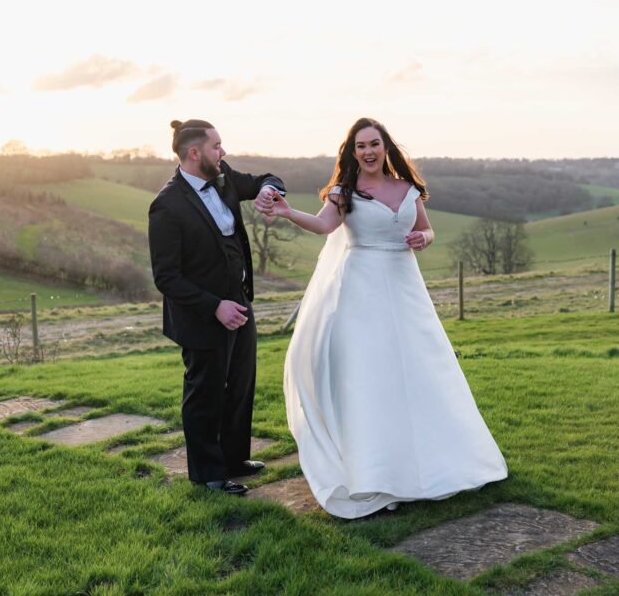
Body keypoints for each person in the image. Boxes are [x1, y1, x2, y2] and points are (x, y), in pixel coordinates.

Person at [261, 117, 507, 518]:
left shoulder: (408, 189)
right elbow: (325, 226)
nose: (368, 152)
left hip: (405, 287)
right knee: (371, 377)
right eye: (360, 146)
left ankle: (440, 461)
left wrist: (420, 239)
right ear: (352, 152)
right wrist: (289, 213)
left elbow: (427, 230)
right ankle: (376, 470)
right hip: (361, 291)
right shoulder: (345, 192)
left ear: (386, 147)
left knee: (421, 369)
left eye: (374, 144)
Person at [148, 119, 286, 495]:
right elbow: (167, 277)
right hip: (203, 316)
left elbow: (266, 178)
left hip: (240, 303)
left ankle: (234, 458)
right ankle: (208, 474)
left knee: (241, 383)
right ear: (195, 153)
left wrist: (268, 192)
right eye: (217, 146)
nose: (223, 153)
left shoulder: (223, 176)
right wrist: (214, 307)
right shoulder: (166, 205)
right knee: (205, 392)